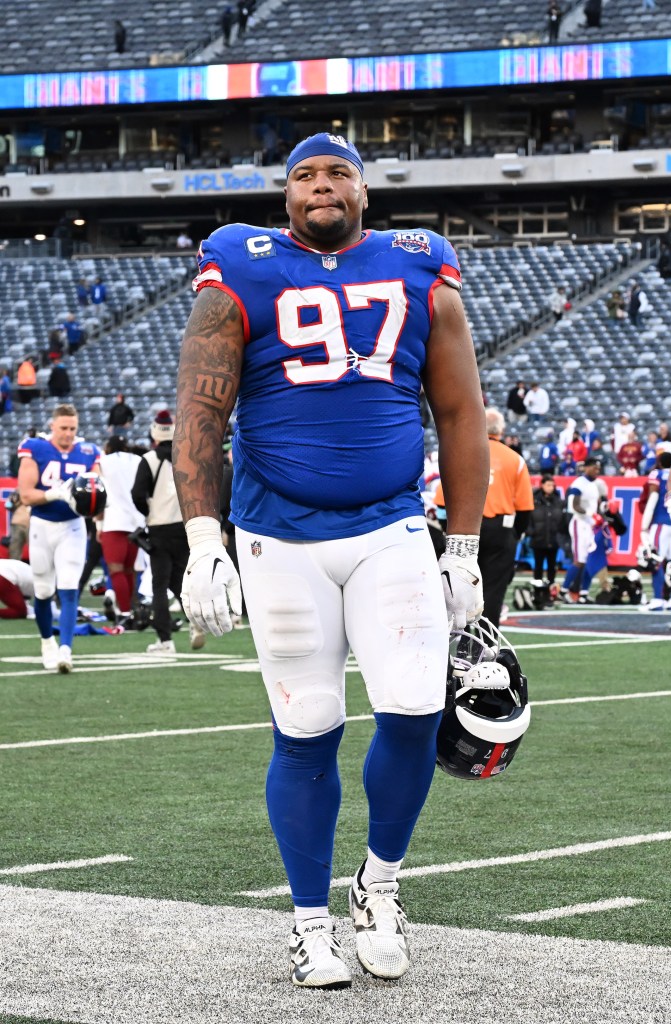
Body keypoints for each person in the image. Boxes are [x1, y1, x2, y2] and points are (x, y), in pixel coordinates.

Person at [171, 133, 488, 988]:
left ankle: (378, 885)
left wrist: (462, 545)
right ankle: (309, 923)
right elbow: (199, 406)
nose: (321, 185)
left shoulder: (418, 264)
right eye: (304, 175)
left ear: (364, 192)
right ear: (285, 196)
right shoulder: (241, 262)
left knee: (416, 707)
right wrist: (204, 539)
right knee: (307, 727)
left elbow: (461, 413)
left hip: (391, 528)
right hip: (279, 538)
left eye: (338, 173)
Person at [16, 403, 101, 673]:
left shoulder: (88, 452)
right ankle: (46, 641)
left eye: (72, 429)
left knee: (69, 587)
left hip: (73, 526)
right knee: (42, 590)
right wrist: (57, 493)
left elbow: (99, 493)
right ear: (52, 426)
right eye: (63, 428)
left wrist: (96, 505)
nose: (68, 433)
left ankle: (66, 650)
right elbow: (26, 494)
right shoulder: (35, 448)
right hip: (42, 524)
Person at [132, 411, 206, 654]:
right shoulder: (186, 456)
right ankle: (194, 619)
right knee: (180, 581)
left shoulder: (149, 459)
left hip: (159, 527)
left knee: (160, 585)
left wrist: (148, 510)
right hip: (183, 527)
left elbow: (137, 494)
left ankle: (165, 640)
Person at [478, 408, 534, 627]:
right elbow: (525, 508)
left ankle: (460, 643)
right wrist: (516, 535)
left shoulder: (463, 453)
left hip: (465, 529)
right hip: (501, 529)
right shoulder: (515, 459)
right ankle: (487, 645)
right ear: (501, 430)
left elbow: (442, 501)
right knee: (494, 589)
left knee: (461, 589)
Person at [98, 436, 145, 626]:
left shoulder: (103, 461)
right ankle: (130, 610)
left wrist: (98, 523)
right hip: (136, 521)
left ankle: (125, 612)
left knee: (116, 571)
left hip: (113, 520)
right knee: (128, 571)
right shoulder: (138, 460)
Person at [559, 456, 602, 604]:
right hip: (580, 524)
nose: (597, 471)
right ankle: (563, 591)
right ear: (586, 467)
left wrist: (602, 511)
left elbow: (594, 504)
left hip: (590, 525)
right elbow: (574, 506)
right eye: (594, 468)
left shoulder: (593, 485)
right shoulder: (579, 483)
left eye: (598, 469)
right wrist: (591, 515)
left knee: (589, 560)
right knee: (579, 560)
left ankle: (583, 593)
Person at [640, 451, 671, 610]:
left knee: (655, 561)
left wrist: (644, 524)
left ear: (660, 462)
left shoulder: (657, 474)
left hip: (661, 522)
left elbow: (653, 497)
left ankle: (658, 599)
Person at [528, 475, 564, 587]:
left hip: (553, 539)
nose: (550, 487)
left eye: (552, 485)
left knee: (552, 566)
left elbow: (562, 519)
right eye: (548, 485)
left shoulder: (558, 501)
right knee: (538, 565)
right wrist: (531, 531)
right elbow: (528, 518)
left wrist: (559, 533)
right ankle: (538, 591)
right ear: (542, 485)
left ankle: (551, 589)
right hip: (538, 538)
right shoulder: (534, 500)